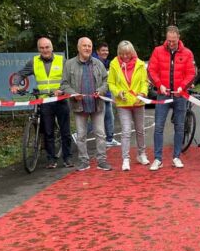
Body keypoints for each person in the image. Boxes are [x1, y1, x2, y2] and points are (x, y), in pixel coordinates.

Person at [11, 36, 72, 169]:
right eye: (42, 48)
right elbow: (21, 74)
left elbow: (69, 78)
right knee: (48, 132)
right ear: (39, 49)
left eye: (47, 47)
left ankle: (67, 158)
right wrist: (15, 84)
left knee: (65, 131)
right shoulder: (34, 62)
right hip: (44, 100)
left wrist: (61, 89)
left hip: (60, 99)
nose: (45, 50)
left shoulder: (62, 61)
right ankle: (51, 160)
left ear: (52, 48)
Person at [147, 25, 196, 170]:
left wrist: (183, 87)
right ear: (166, 39)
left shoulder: (187, 53)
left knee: (180, 127)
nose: (171, 43)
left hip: (180, 96)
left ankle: (176, 157)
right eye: (169, 41)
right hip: (163, 95)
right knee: (159, 126)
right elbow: (152, 70)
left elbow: (191, 73)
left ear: (178, 38)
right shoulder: (158, 51)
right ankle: (157, 159)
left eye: (174, 41)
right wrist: (159, 84)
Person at [59, 37, 111, 171]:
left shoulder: (98, 63)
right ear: (78, 48)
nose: (87, 48)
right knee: (81, 135)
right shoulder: (69, 64)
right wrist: (73, 94)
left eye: (89, 46)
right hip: (79, 105)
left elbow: (106, 81)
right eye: (84, 46)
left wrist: (101, 90)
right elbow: (64, 84)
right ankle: (83, 161)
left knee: (100, 134)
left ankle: (102, 161)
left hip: (97, 104)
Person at [107, 41, 149, 171]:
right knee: (126, 131)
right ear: (118, 53)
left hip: (138, 102)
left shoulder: (140, 64)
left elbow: (144, 82)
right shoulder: (114, 64)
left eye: (127, 53)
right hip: (123, 103)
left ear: (132, 52)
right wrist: (118, 93)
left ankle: (141, 154)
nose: (125, 56)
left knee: (140, 130)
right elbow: (111, 83)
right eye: (122, 53)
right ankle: (125, 159)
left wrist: (142, 93)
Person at [94, 42, 120, 148]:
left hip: (107, 95)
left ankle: (109, 139)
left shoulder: (106, 62)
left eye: (107, 50)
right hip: (99, 95)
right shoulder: (94, 63)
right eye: (103, 50)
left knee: (109, 117)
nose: (106, 52)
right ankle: (78, 134)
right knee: (99, 118)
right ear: (98, 51)